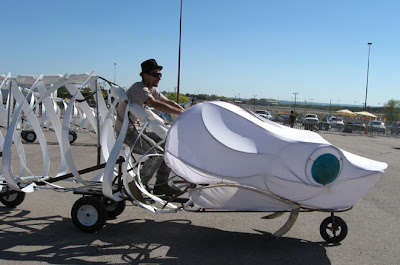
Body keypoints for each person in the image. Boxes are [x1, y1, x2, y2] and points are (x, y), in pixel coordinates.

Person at [115, 59, 184, 199]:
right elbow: (156, 104)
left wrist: (183, 110)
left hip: (137, 130)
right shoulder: (139, 88)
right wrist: (181, 114)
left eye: (160, 75)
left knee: (168, 144)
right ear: (145, 75)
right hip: (127, 132)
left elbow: (167, 101)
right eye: (155, 74)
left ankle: (161, 184)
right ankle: (136, 186)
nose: (158, 78)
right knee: (156, 152)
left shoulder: (152, 89)